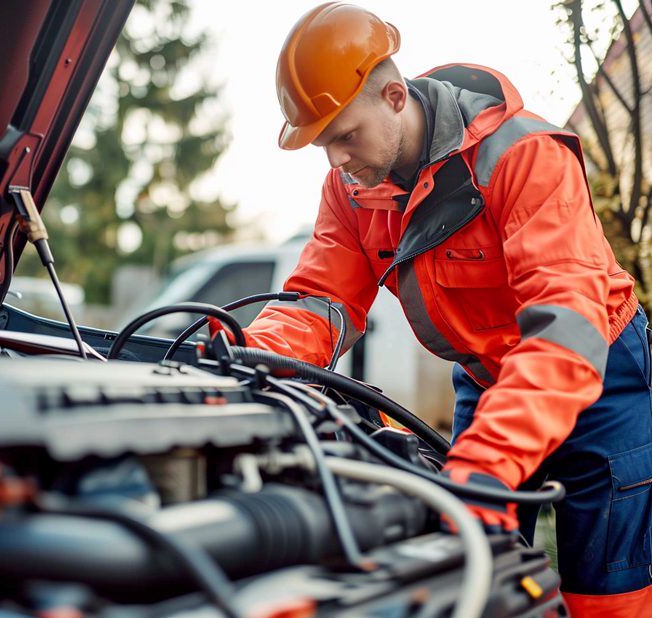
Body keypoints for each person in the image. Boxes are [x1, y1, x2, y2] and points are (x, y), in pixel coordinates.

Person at [230, 3, 652, 616]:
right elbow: (320, 303)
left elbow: (567, 317)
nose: (336, 161)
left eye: (345, 136)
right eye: (323, 145)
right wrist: (245, 359)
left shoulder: (525, 154)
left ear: (395, 96)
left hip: (598, 371)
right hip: (487, 375)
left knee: (607, 599)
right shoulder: (350, 190)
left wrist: (490, 459)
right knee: (474, 575)